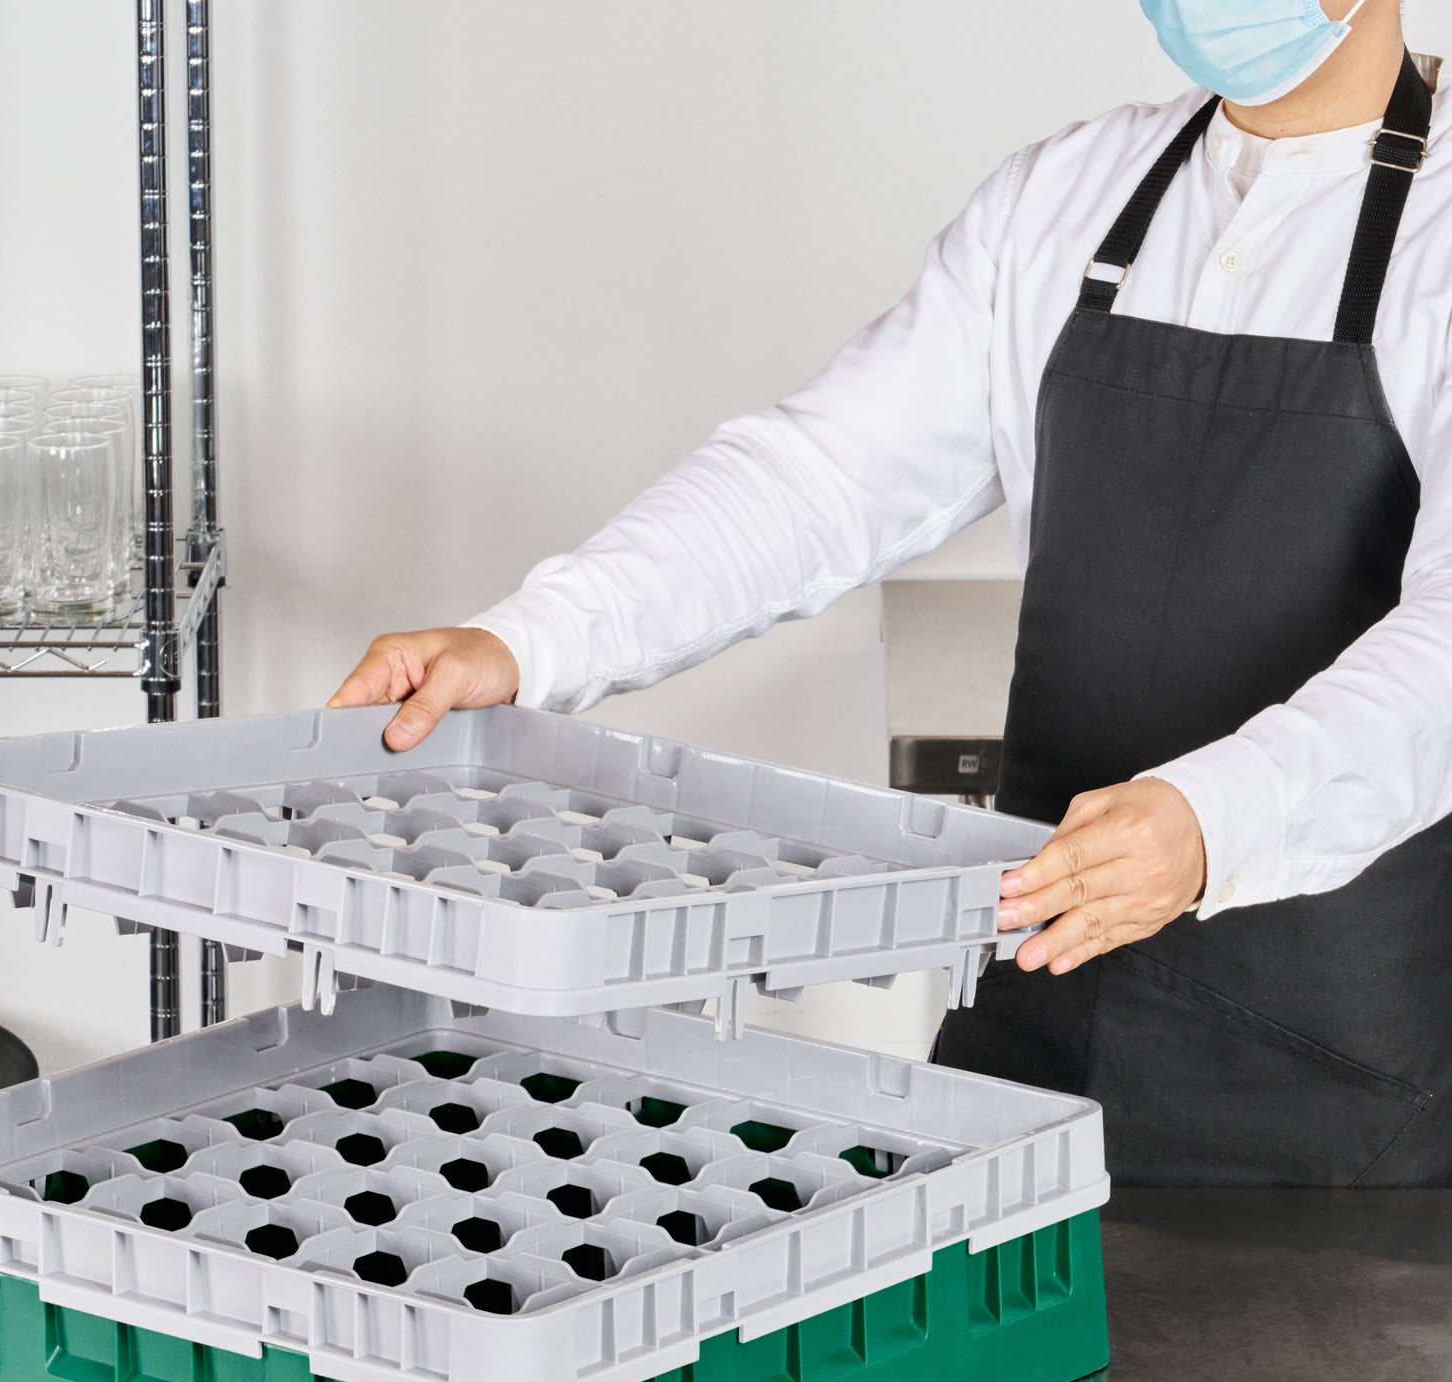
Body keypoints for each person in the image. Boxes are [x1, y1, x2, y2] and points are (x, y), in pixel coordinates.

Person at [329, 0, 1452, 1188]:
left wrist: (1215, 820)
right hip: (1032, 1011)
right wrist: (529, 640)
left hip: (1335, 1079)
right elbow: (819, 480)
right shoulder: (1064, 197)